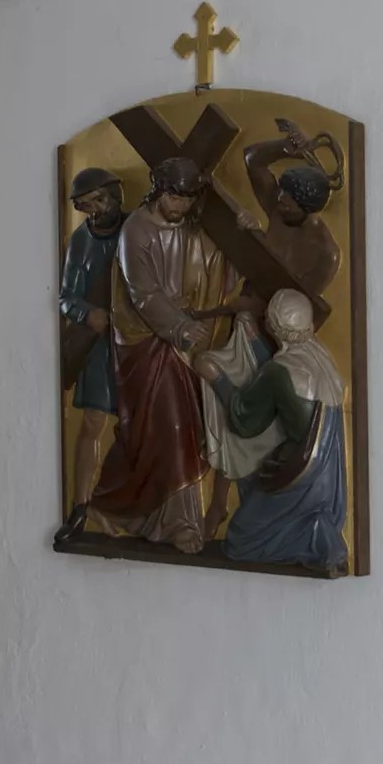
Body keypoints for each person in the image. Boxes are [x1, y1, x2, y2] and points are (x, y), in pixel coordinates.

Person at [83, 156, 238, 552]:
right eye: (174, 197)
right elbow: (143, 293)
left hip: (179, 341)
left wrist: (243, 230)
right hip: (143, 343)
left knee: (166, 430)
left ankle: (121, 507)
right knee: (168, 426)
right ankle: (179, 523)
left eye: (187, 199)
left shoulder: (189, 228)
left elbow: (217, 267)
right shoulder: (136, 230)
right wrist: (180, 327)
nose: (180, 206)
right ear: (158, 191)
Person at [210, 288, 350, 573]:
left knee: (239, 540)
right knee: (254, 478)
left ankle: (313, 534)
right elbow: (280, 379)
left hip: (299, 477)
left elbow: (243, 420)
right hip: (329, 476)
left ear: (273, 326)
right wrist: (253, 338)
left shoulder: (278, 371)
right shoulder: (320, 355)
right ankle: (317, 525)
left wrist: (215, 376)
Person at [57, 168, 126, 530]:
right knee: (94, 422)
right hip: (100, 346)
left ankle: (125, 506)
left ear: (115, 196)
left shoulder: (136, 228)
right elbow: (66, 297)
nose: (96, 210)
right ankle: (82, 504)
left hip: (136, 343)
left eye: (100, 200)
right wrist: (88, 313)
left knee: (139, 426)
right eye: (87, 205)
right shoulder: (81, 241)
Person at [235, 119, 341, 313]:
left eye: (287, 204)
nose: (279, 200)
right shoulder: (279, 206)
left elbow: (299, 307)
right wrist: (283, 148)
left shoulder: (326, 254)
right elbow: (252, 160)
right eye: (282, 193)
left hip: (272, 319)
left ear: (307, 209)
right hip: (244, 300)